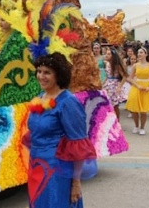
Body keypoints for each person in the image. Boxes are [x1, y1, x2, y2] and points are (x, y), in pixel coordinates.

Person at [23, 52, 97, 208]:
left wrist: (76, 182)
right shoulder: (41, 96)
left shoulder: (68, 102)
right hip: (36, 166)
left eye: (47, 72)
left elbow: (78, 144)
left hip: (57, 170)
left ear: (59, 75)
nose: (41, 76)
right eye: (39, 71)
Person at [125, 48, 149, 135]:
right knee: (134, 108)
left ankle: (142, 127)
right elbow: (130, 78)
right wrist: (137, 85)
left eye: (141, 52)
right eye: (138, 52)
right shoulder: (135, 65)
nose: (139, 54)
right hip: (137, 87)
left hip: (147, 87)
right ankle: (136, 125)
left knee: (143, 110)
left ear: (146, 54)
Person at [102, 48, 128, 121]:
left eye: (109, 54)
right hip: (108, 85)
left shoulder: (116, 65)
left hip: (114, 85)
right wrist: (102, 84)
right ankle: (110, 120)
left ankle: (117, 121)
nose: (106, 55)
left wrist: (119, 86)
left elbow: (124, 76)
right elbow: (107, 76)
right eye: (106, 54)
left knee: (115, 105)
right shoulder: (107, 64)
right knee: (108, 105)